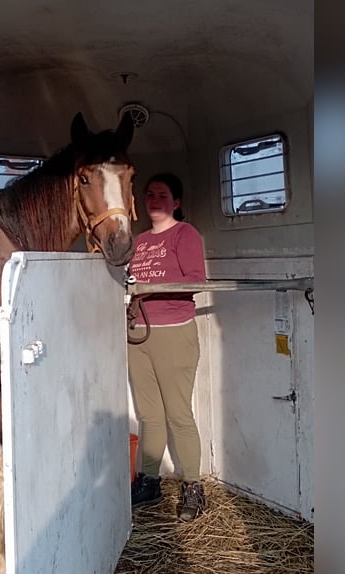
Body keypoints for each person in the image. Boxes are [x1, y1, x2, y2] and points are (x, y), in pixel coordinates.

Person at [127, 172, 207, 521]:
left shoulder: (185, 234)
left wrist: (147, 288)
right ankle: (149, 480)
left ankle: (193, 487)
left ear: (176, 202)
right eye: (149, 194)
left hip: (174, 332)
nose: (154, 200)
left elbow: (196, 281)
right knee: (149, 415)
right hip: (137, 335)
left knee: (178, 414)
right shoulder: (138, 240)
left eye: (162, 195)